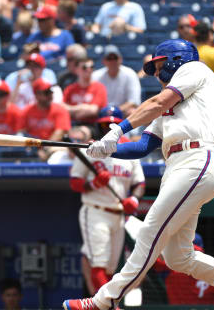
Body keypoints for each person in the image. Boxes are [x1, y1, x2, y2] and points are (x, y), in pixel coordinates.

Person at [62, 39, 214, 310]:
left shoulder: (195, 69)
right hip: (178, 167)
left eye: (160, 63)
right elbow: (142, 146)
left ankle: (103, 300)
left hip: (196, 159)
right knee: (178, 257)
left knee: (149, 231)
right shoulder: (171, 109)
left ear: (176, 58)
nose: (157, 71)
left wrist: (118, 130)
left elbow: (158, 101)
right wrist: (105, 149)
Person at [69, 105, 145, 296]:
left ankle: (105, 304)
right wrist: (93, 184)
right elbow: (75, 182)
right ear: (99, 126)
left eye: (113, 126)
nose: (109, 129)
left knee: (111, 270)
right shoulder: (91, 149)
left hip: (118, 215)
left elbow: (140, 183)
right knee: (99, 265)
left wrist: (134, 200)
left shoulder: (129, 151)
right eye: (105, 126)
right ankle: (109, 306)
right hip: (96, 210)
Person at [18, 78, 71, 160]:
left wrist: (45, 148)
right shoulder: (27, 111)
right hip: (32, 148)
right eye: (46, 93)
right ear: (36, 95)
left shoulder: (60, 110)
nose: (50, 95)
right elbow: (21, 131)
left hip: (53, 148)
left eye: (50, 92)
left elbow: (60, 132)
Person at [92, 45, 141, 117]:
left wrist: (115, 111)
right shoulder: (96, 76)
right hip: (101, 113)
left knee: (132, 111)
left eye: (115, 58)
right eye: (109, 58)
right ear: (104, 61)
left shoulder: (130, 74)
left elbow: (134, 101)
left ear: (120, 59)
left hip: (123, 113)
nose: (113, 61)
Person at [63, 57, 108, 125]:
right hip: (71, 124)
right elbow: (63, 108)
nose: (89, 70)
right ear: (76, 70)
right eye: (84, 67)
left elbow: (93, 111)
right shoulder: (70, 89)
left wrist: (73, 111)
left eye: (91, 67)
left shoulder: (99, 88)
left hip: (93, 125)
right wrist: (82, 107)